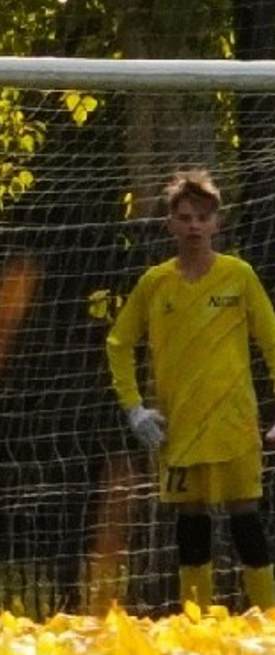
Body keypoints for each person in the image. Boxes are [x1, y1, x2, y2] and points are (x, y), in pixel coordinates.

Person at [106, 169, 275, 614]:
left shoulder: (239, 276)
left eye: (203, 217)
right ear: (170, 224)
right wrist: (135, 409)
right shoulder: (155, 283)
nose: (194, 226)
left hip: (235, 423)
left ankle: (271, 620)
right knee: (192, 522)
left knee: (246, 518)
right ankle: (195, 623)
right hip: (179, 427)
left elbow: (273, 343)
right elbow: (119, 343)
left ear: (217, 223)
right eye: (185, 217)